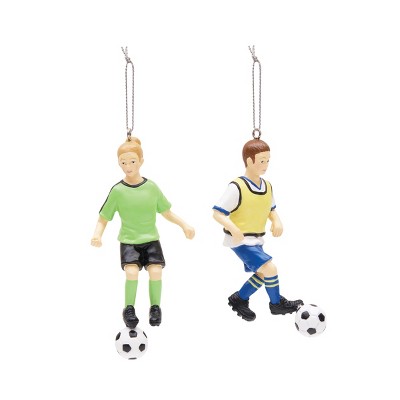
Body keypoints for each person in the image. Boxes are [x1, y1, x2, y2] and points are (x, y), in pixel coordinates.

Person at [91, 137, 195, 328]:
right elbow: (103, 217)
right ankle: (128, 308)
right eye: (123, 162)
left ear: (141, 161)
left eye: (132, 161)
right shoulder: (118, 191)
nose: (128, 166)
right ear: (118, 163)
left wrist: (184, 225)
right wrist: (97, 234)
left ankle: (155, 307)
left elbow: (166, 212)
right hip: (129, 241)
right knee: (131, 272)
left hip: (151, 240)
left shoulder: (151, 187)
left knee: (156, 271)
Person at [212, 138, 302, 321]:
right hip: (241, 241)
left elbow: (271, 210)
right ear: (249, 161)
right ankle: (276, 304)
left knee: (262, 274)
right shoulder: (237, 186)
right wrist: (233, 229)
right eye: (262, 161)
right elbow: (217, 213)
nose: (266, 165)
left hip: (257, 239)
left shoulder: (267, 186)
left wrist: (277, 221)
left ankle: (239, 299)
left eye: (268, 160)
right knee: (270, 269)